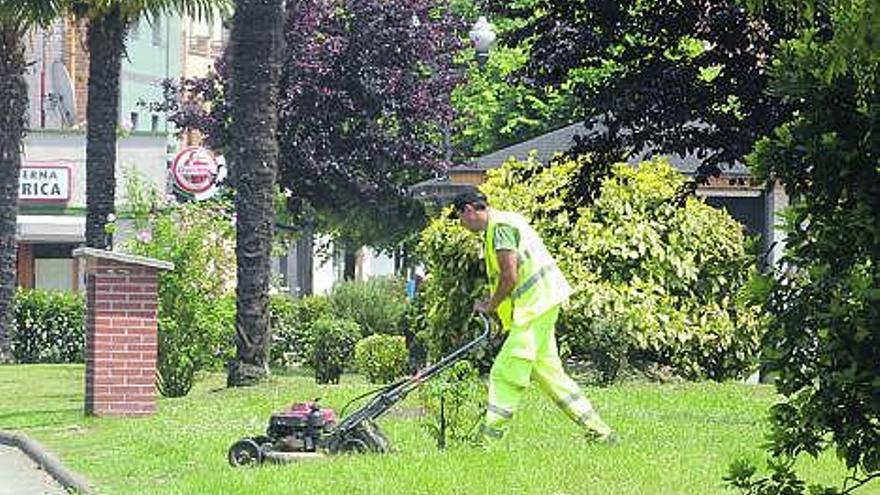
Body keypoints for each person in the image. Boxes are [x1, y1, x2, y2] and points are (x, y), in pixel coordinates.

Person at [452, 189, 616, 445]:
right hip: (543, 300)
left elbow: (509, 276)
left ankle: (487, 442)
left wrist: (490, 305)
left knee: (505, 374)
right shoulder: (506, 221)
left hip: (536, 305)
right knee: (550, 375)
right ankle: (600, 432)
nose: (461, 224)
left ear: (469, 210)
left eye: (459, 217)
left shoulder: (501, 229)